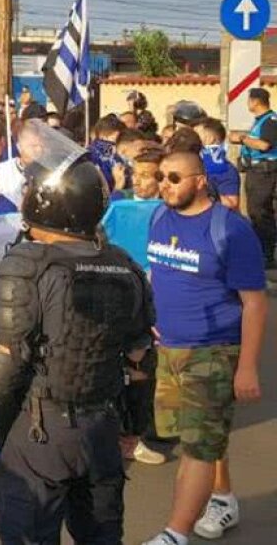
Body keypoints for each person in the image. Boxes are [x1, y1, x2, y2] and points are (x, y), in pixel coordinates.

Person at [0, 127, 154, 544]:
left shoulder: (26, 264)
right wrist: (135, 425)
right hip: (102, 425)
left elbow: (6, 358)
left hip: (40, 432)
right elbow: (140, 358)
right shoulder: (125, 267)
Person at [141, 150, 267, 545]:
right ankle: (223, 497)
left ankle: (174, 535)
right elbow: (157, 274)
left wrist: (246, 367)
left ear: (199, 181)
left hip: (212, 352)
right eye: (161, 175)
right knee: (201, 436)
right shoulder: (159, 218)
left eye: (174, 177)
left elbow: (255, 303)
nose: (164, 183)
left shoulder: (231, 229)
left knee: (197, 447)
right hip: (169, 351)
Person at [229, 87, 277, 268]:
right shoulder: (260, 121)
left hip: (264, 173)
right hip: (256, 172)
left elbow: (264, 145)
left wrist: (242, 138)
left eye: (249, 100)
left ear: (256, 101)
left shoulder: (270, 121)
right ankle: (262, 252)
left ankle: (267, 255)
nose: (248, 103)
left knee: (260, 213)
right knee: (257, 212)